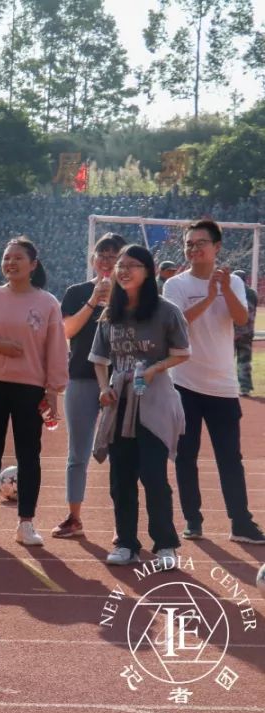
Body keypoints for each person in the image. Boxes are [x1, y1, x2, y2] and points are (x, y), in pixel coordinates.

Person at [163, 220, 265, 544]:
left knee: (230, 457)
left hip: (223, 385)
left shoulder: (232, 281)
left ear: (216, 247)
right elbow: (176, 325)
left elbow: (241, 319)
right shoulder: (175, 285)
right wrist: (208, 298)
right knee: (186, 456)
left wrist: (223, 290)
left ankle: (241, 523)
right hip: (184, 383)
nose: (193, 249)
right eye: (189, 244)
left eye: (200, 243)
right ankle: (193, 521)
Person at [0, 237, 68, 547]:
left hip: (30, 388)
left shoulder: (48, 302)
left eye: (18, 258)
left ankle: (26, 523)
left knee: (29, 455)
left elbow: (56, 349)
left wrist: (53, 390)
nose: (10, 263)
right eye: (7, 257)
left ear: (33, 264)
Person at [91, 245, 188, 566]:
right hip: (119, 403)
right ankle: (126, 543)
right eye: (121, 265)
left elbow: (182, 352)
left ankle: (165, 545)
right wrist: (104, 389)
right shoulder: (110, 313)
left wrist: (153, 368)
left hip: (155, 402)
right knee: (121, 477)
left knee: (153, 475)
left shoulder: (166, 311)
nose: (124, 270)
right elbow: (99, 358)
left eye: (132, 265)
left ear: (148, 271)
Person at [53, 232, 127, 539]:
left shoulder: (132, 293)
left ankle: (124, 523)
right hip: (81, 377)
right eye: (102, 255)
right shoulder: (77, 292)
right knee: (77, 453)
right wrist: (93, 300)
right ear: (93, 259)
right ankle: (74, 517)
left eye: (114, 256)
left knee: (123, 454)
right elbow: (67, 330)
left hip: (121, 379)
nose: (107, 261)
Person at [232, 269, 257, 397]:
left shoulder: (233, 291)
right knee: (245, 361)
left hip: (232, 332)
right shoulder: (252, 293)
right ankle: (245, 388)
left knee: (226, 361)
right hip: (247, 333)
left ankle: (227, 386)